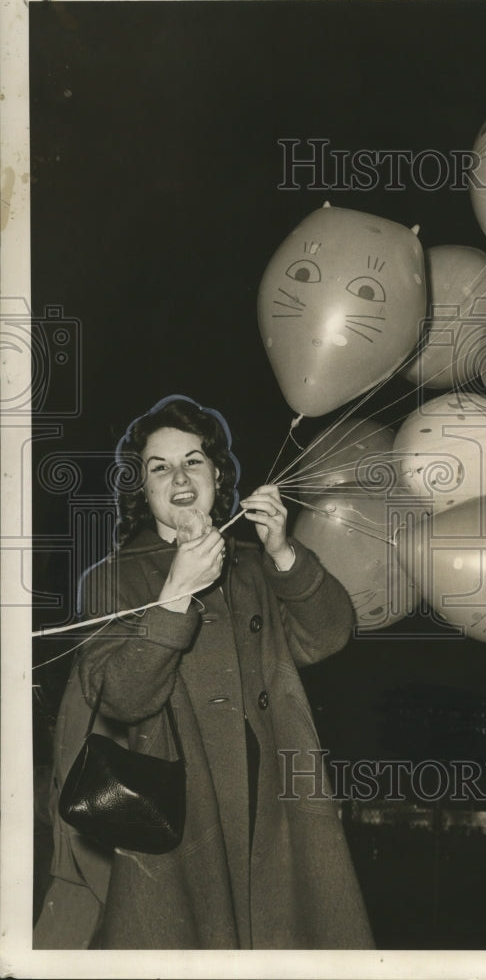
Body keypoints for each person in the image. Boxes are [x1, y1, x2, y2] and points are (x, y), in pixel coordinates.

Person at [33, 395, 374, 950]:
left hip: (276, 803)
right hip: (178, 816)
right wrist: (173, 599)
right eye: (159, 467)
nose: (179, 476)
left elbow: (330, 633)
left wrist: (284, 553)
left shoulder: (252, 565)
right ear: (143, 490)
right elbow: (119, 697)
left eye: (193, 460)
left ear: (217, 473)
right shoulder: (111, 579)